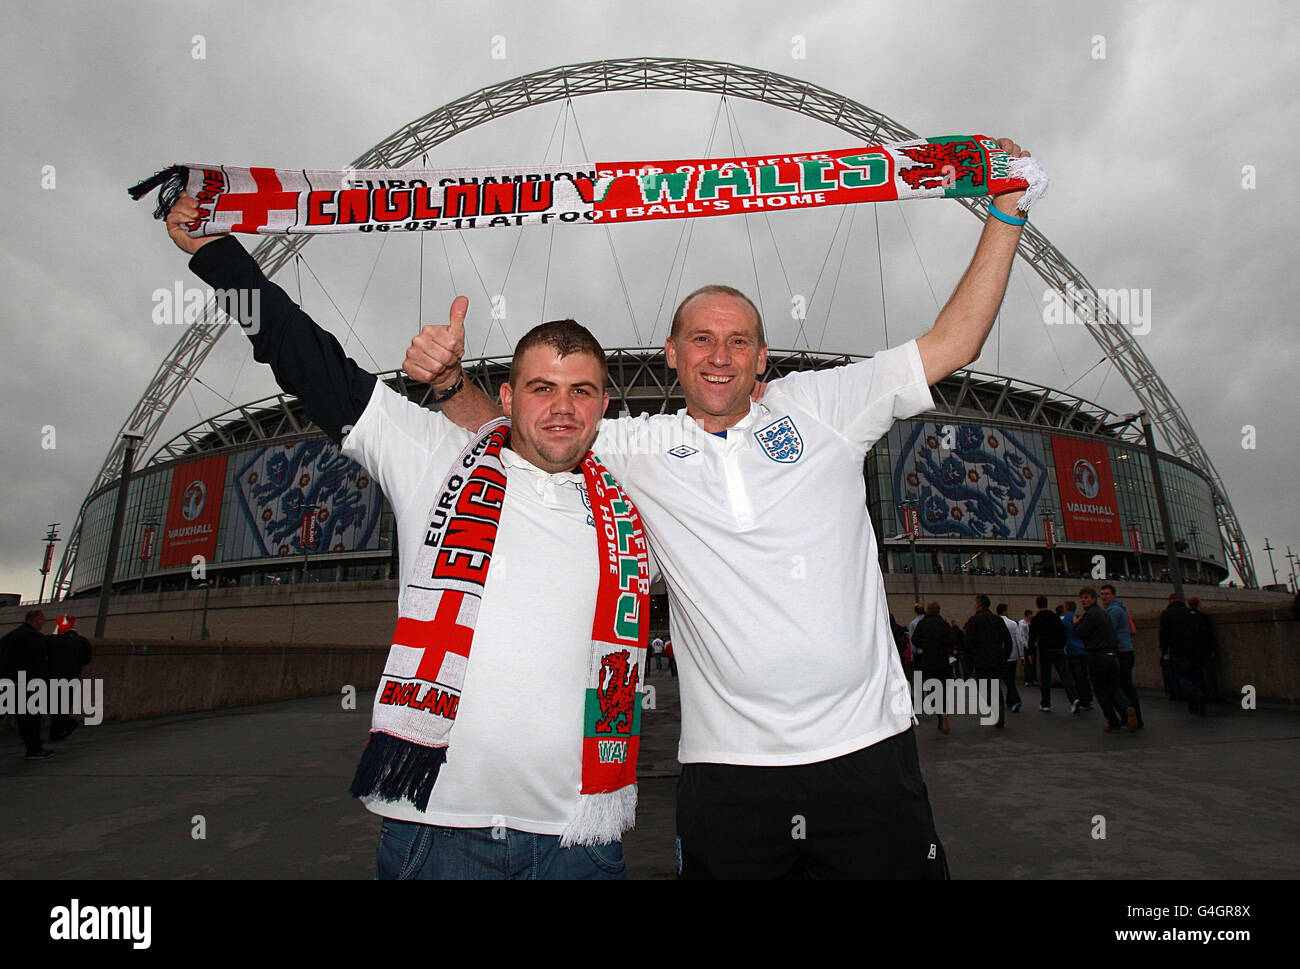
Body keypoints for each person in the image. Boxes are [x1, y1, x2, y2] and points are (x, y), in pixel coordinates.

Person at [409, 136, 1035, 878]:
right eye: (700, 339)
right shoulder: (636, 447)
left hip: (867, 753)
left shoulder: (828, 404)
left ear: (763, 357)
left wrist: (1006, 212)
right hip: (728, 775)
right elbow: (529, 431)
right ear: (670, 353)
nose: (719, 355)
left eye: (739, 341)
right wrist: (450, 384)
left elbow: (954, 342)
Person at [165, 196, 653, 880]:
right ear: (508, 397)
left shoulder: (635, 510)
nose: (562, 407)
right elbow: (304, 358)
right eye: (542, 387)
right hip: (439, 835)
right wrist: (220, 257)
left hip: (579, 839)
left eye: (581, 391)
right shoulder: (431, 454)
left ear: (604, 405)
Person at [1073, 588, 1137, 733]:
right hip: (1111, 655)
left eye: (1086, 597)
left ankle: (1113, 722)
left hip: (1097, 656)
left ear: (1094, 598)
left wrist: (1076, 624)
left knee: (1101, 691)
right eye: (1082, 597)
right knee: (1114, 688)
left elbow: (1081, 633)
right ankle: (1127, 708)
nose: (1084, 600)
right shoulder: (1104, 613)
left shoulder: (1090, 615)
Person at [0, 609, 53, 759]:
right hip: (23, 683)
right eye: (42, 621)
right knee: (29, 718)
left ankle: (34, 748)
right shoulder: (34, 636)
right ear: (37, 620)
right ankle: (34, 749)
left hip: (6, 680)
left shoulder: (10, 635)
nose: (43, 624)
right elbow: (34, 661)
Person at [965, 595, 1013, 728]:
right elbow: (1008, 641)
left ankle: (994, 708)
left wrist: (970, 660)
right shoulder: (997, 620)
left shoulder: (974, 621)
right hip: (997, 658)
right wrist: (1005, 656)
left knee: (984, 687)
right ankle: (1000, 705)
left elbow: (968, 643)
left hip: (981, 659)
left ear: (979, 605)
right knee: (996, 685)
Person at [1099, 584, 1142, 729]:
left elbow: (1108, 631)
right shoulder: (1121, 608)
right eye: (1102, 594)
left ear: (1114, 595)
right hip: (1127, 650)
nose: (1104, 597)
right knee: (1126, 686)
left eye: (1107, 594)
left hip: (1120, 652)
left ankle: (1130, 714)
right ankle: (1133, 717)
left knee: (1120, 686)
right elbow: (1132, 630)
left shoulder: (1113, 611)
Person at [45, 615, 93, 741]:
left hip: (53, 676)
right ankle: (58, 732)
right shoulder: (83, 641)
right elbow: (86, 659)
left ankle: (65, 724)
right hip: (73, 677)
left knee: (50, 703)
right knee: (63, 705)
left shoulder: (53, 640)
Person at [1028, 596, 1078, 713]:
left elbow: (1032, 637)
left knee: (1045, 677)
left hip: (1045, 650)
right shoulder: (1055, 617)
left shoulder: (1036, 619)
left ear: (1037, 605)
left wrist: (1031, 652)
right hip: (1058, 649)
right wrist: (1062, 645)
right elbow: (1062, 632)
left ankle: (1046, 703)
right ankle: (1074, 698)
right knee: (1065, 675)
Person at [911, 602, 956, 733]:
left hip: (928, 662)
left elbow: (914, 640)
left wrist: (925, 645)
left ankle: (939, 712)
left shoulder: (922, 624)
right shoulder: (944, 625)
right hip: (942, 661)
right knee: (943, 689)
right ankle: (944, 712)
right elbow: (951, 641)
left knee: (931, 690)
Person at [1161, 595, 1203, 715]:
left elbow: (1164, 635)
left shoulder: (1167, 614)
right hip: (1194, 650)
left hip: (1177, 650)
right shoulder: (1191, 612)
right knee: (1193, 676)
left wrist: (1164, 651)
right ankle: (1195, 702)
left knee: (1181, 677)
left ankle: (1195, 694)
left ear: (1170, 601)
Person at [1186, 596, 1220, 704]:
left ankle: (1202, 694)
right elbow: (1208, 634)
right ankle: (1214, 695)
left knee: (1198, 673)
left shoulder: (1186, 617)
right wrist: (1212, 649)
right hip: (1204, 648)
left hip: (1192, 649)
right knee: (1210, 673)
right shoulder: (1203, 616)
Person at [1061, 600, 1094, 710]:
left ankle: (1079, 698)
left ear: (1066, 608)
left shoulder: (1065, 621)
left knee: (1076, 676)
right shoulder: (1081, 619)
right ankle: (1087, 699)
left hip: (1072, 651)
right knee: (1085, 675)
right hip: (1084, 650)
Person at [995, 603, 1024, 712]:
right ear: (1005, 611)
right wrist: (1021, 655)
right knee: (1010, 679)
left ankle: (1011, 700)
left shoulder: (995, 623)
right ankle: (1013, 700)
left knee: (1005, 680)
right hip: (1013, 655)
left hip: (1000, 655)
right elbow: (1019, 640)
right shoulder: (1012, 624)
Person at [1019, 609, 1036, 686]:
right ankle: (1027, 679)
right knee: (1027, 663)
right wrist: (1026, 645)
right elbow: (1022, 636)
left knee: (1033, 662)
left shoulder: (1032, 623)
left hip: (1032, 645)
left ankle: (1033, 678)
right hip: (1026, 645)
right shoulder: (1022, 624)